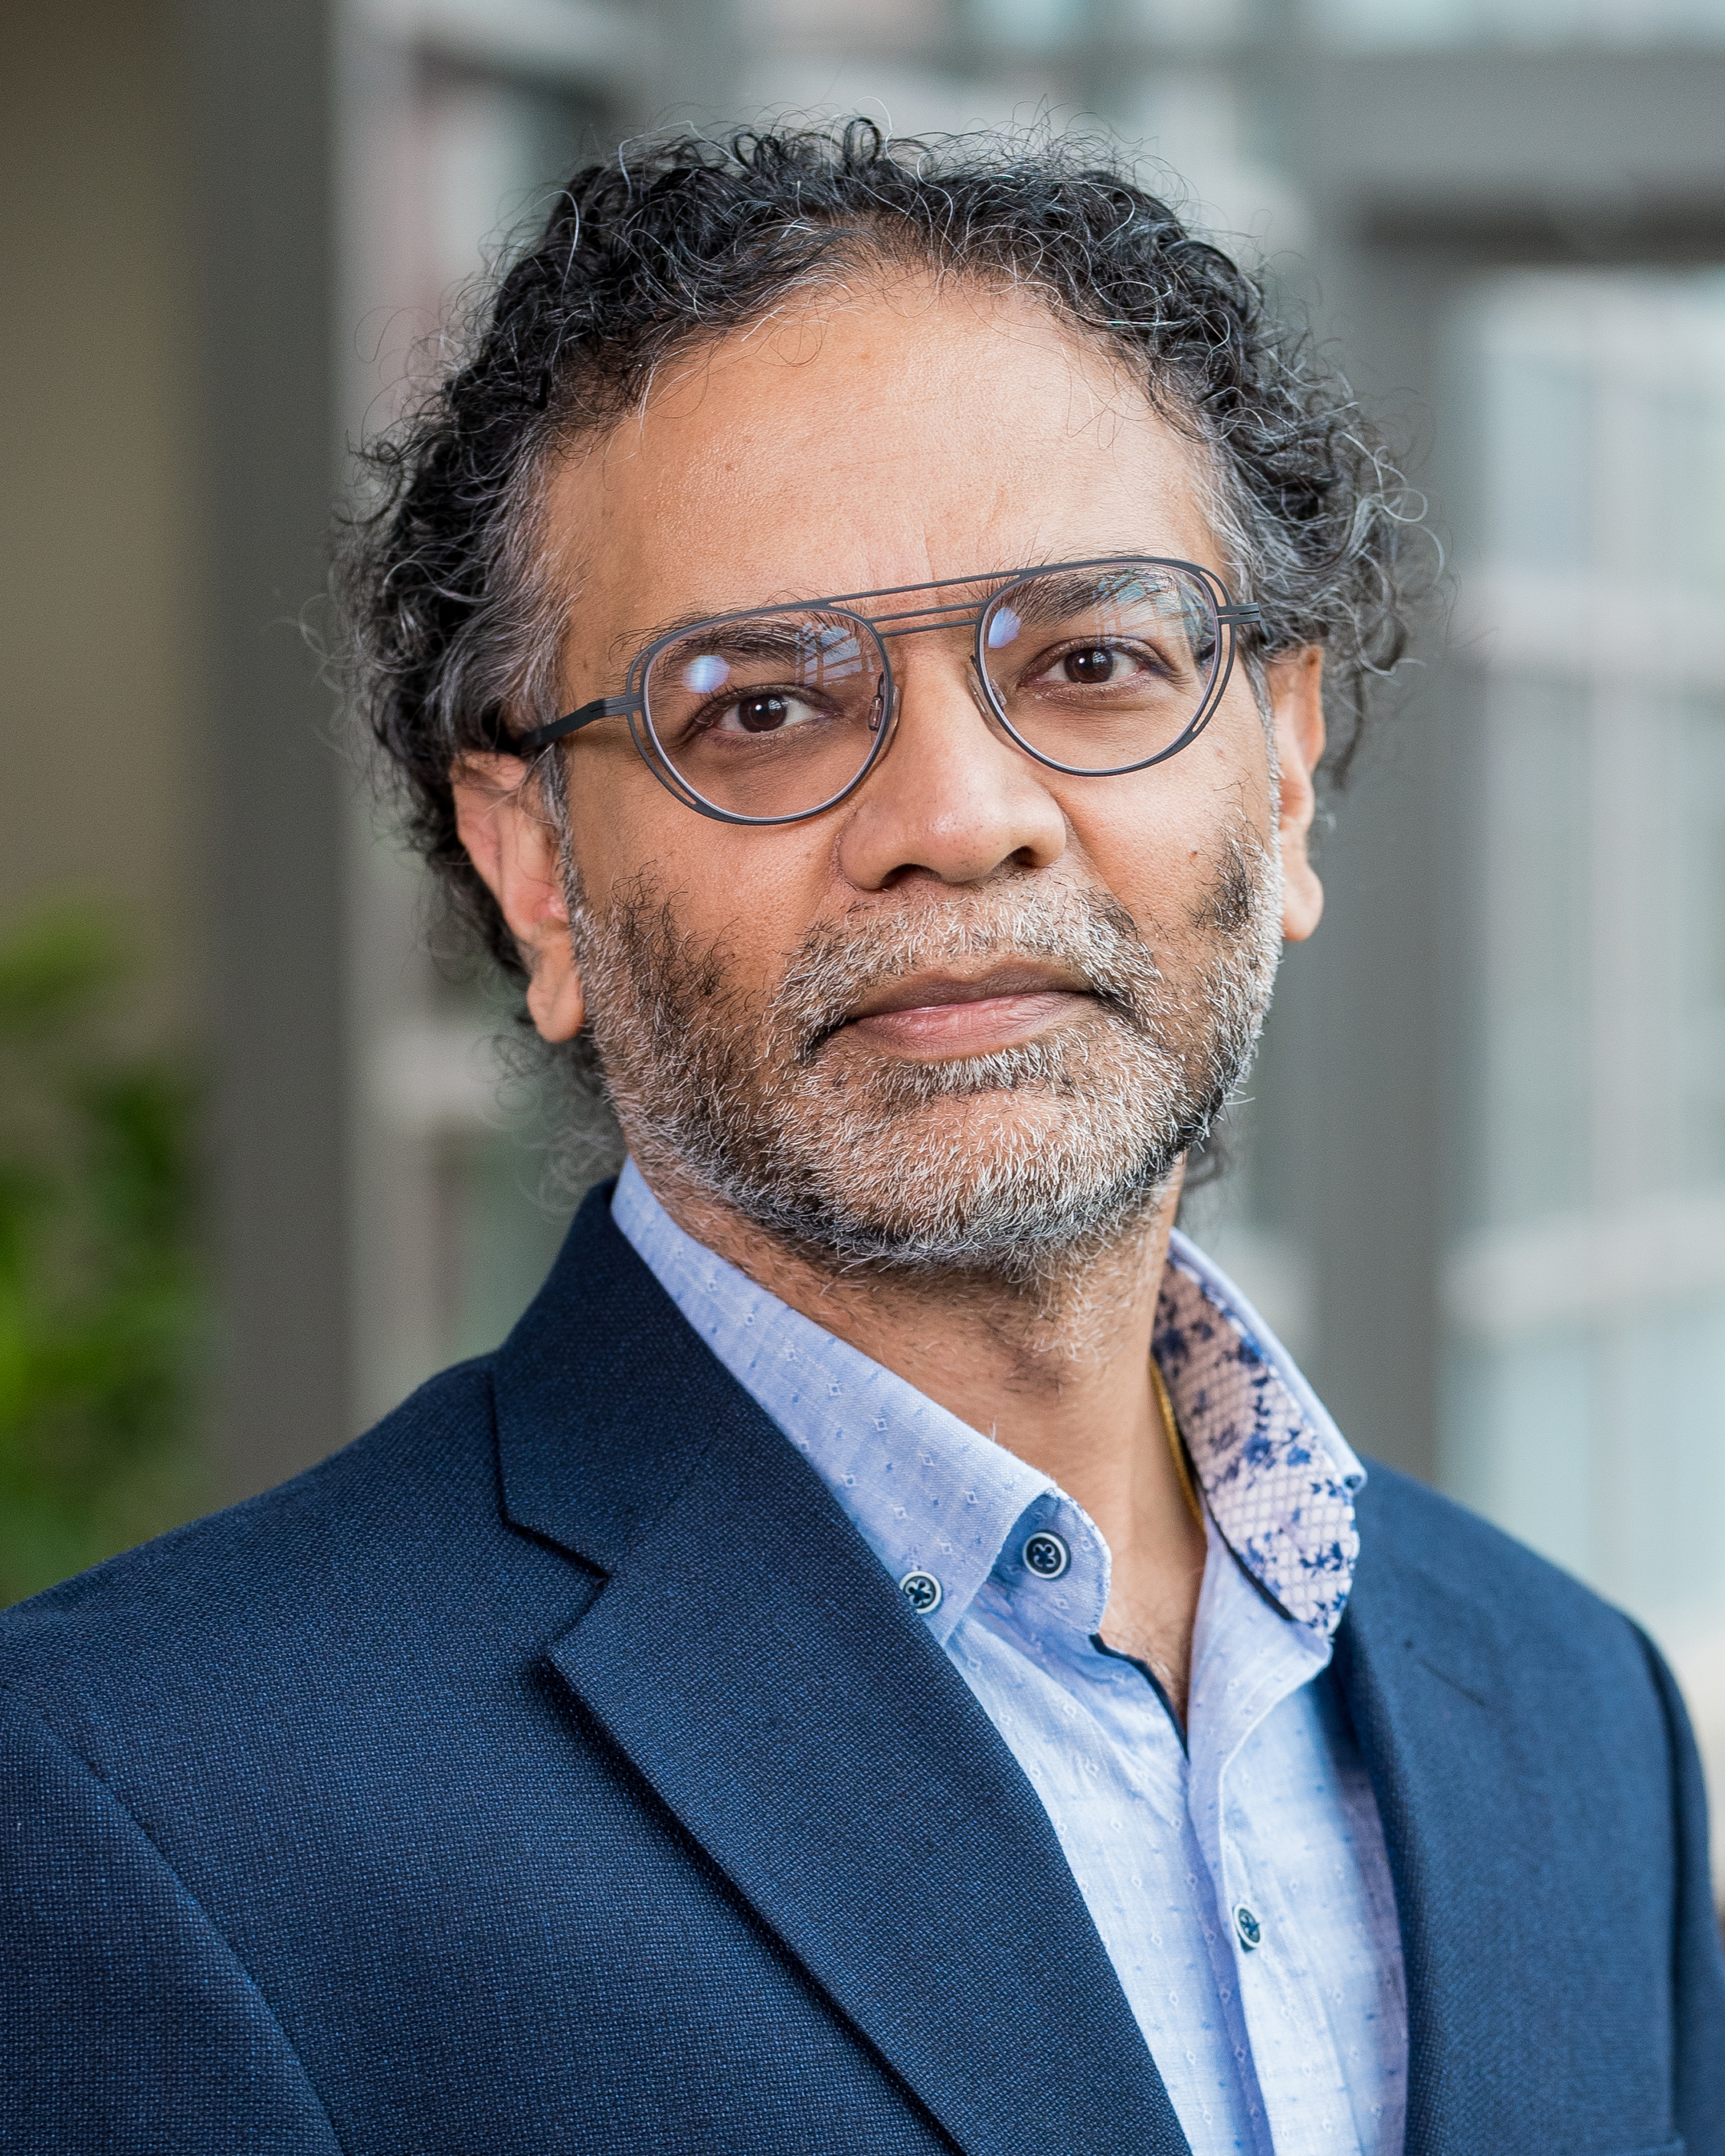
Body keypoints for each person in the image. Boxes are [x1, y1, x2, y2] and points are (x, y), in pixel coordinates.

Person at [2, 123, 1720, 2156]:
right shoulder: (148, 1805)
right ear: (535, 869)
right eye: (757, 706)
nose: (957, 812)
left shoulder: (1575, 1708)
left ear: (1279, 776)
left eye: (1091, 662)